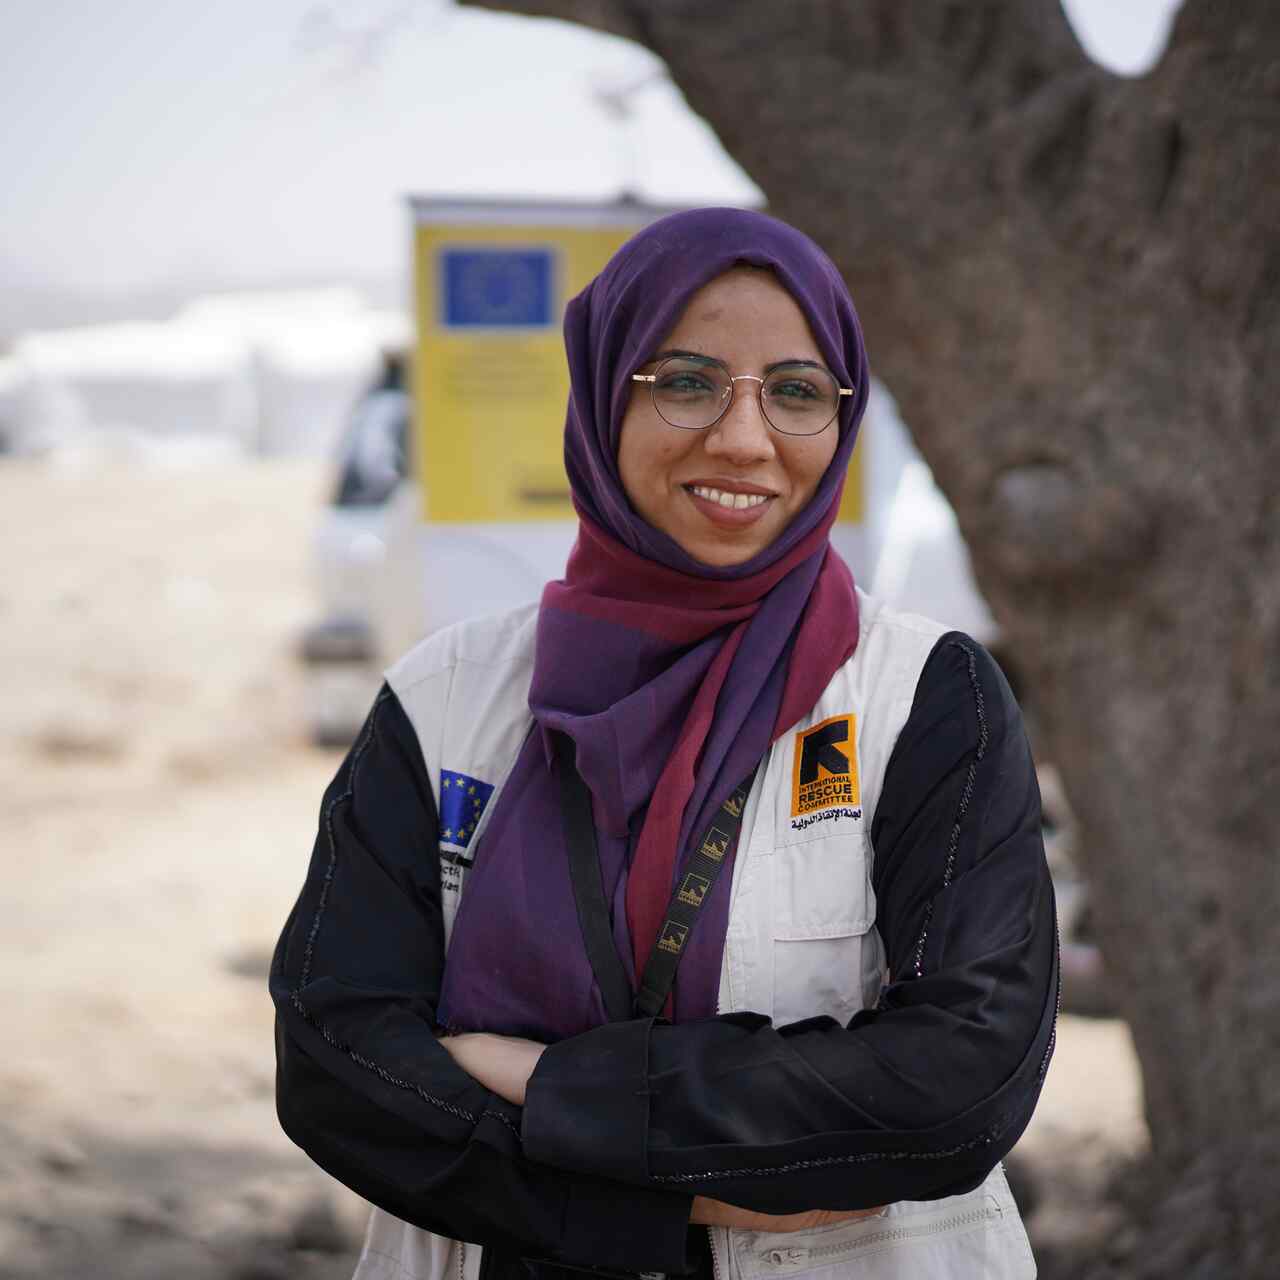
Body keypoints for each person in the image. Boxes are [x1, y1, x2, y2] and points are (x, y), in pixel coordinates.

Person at [270, 208, 1058, 1280]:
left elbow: (959, 1079)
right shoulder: (443, 697)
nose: (741, 439)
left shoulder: (922, 696)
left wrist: (547, 1088)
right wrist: (660, 1208)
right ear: (602, 396)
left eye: (793, 391)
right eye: (685, 381)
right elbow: (338, 1058)